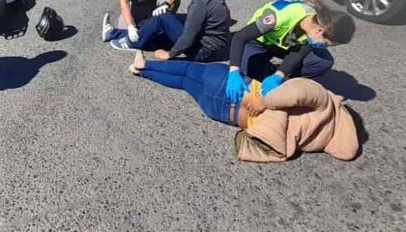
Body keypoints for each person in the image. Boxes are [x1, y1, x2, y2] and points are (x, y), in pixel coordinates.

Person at [127, 52, 359, 163]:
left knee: (189, 70)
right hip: (221, 113)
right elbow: (347, 153)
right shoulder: (317, 140)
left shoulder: (326, 103)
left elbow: (296, 92)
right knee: (185, 83)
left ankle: (144, 65)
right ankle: (144, 73)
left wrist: (265, 101)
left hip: (236, 91)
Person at [225, 0, 355, 103]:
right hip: (260, 41)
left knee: (323, 61)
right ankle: (264, 68)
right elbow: (239, 37)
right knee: (248, 75)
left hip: (286, 44)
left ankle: (276, 74)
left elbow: (299, 52)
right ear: (320, 31)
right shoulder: (279, 17)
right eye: (327, 44)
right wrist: (233, 71)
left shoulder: (313, 28)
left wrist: (279, 75)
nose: (325, 47)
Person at [108, 0, 230, 62]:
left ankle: (132, 42)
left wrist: (170, 54)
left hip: (203, 51)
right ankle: (115, 33)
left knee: (162, 18)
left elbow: (188, 36)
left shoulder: (200, 4)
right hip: (214, 46)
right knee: (168, 21)